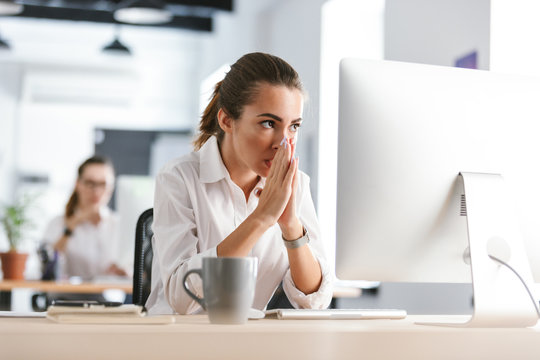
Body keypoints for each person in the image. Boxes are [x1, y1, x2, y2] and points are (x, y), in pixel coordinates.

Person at [146, 52, 333, 315]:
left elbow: (314, 300)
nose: (283, 143)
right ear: (226, 120)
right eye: (269, 123)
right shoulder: (179, 178)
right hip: (179, 340)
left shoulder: (295, 184)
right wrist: (261, 218)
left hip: (244, 341)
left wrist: (291, 227)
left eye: (294, 127)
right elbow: (182, 299)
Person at [42, 156, 128, 281]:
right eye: (90, 183)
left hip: (109, 297)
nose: (97, 191)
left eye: (103, 184)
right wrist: (71, 227)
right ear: (78, 184)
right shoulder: (58, 223)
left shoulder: (119, 225)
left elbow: (133, 270)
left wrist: (127, 272)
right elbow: (46, 268)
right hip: (66, 297)